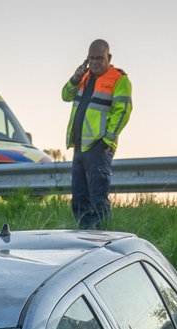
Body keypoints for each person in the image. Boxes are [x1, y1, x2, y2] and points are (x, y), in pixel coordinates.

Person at [62, 40, 132, 229]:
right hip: (80, 147)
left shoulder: (119, 79)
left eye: (99, 58)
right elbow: (65, 95)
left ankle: (103, 238)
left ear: (108, 58)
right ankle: (85, 236)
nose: (95, 62)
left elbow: (123, 111)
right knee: (79, 198)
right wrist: (75, 78)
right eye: (91, 58)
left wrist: (106, 140)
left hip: (98, 148)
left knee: (98, 198)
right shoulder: (84, 78)